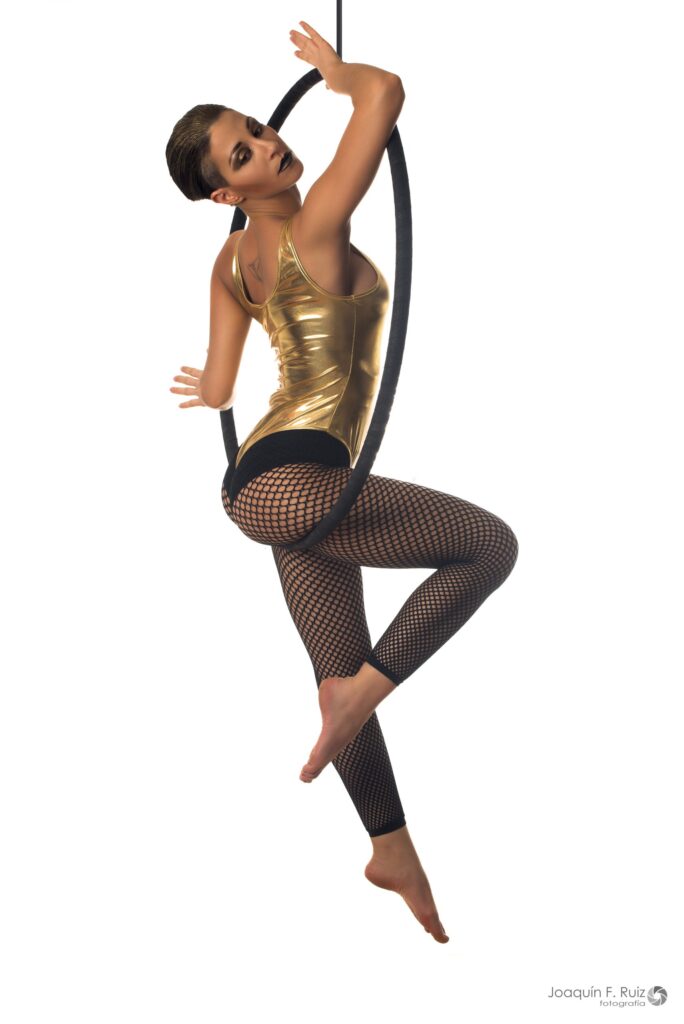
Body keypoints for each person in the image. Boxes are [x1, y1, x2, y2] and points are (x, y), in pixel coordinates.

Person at [166, 20, 518, 945]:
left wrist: (206, 390)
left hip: (265, 480)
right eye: (244, 154)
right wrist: (336, 73)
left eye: (257, 128)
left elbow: (221, 387)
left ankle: (390, 847)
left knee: (335, 671)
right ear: (225, 194)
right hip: (295, 477)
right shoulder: (315, 221)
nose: (269, 144)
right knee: (490, 546)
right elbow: (385, 92)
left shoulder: (231, 263)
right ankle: (367, 693)